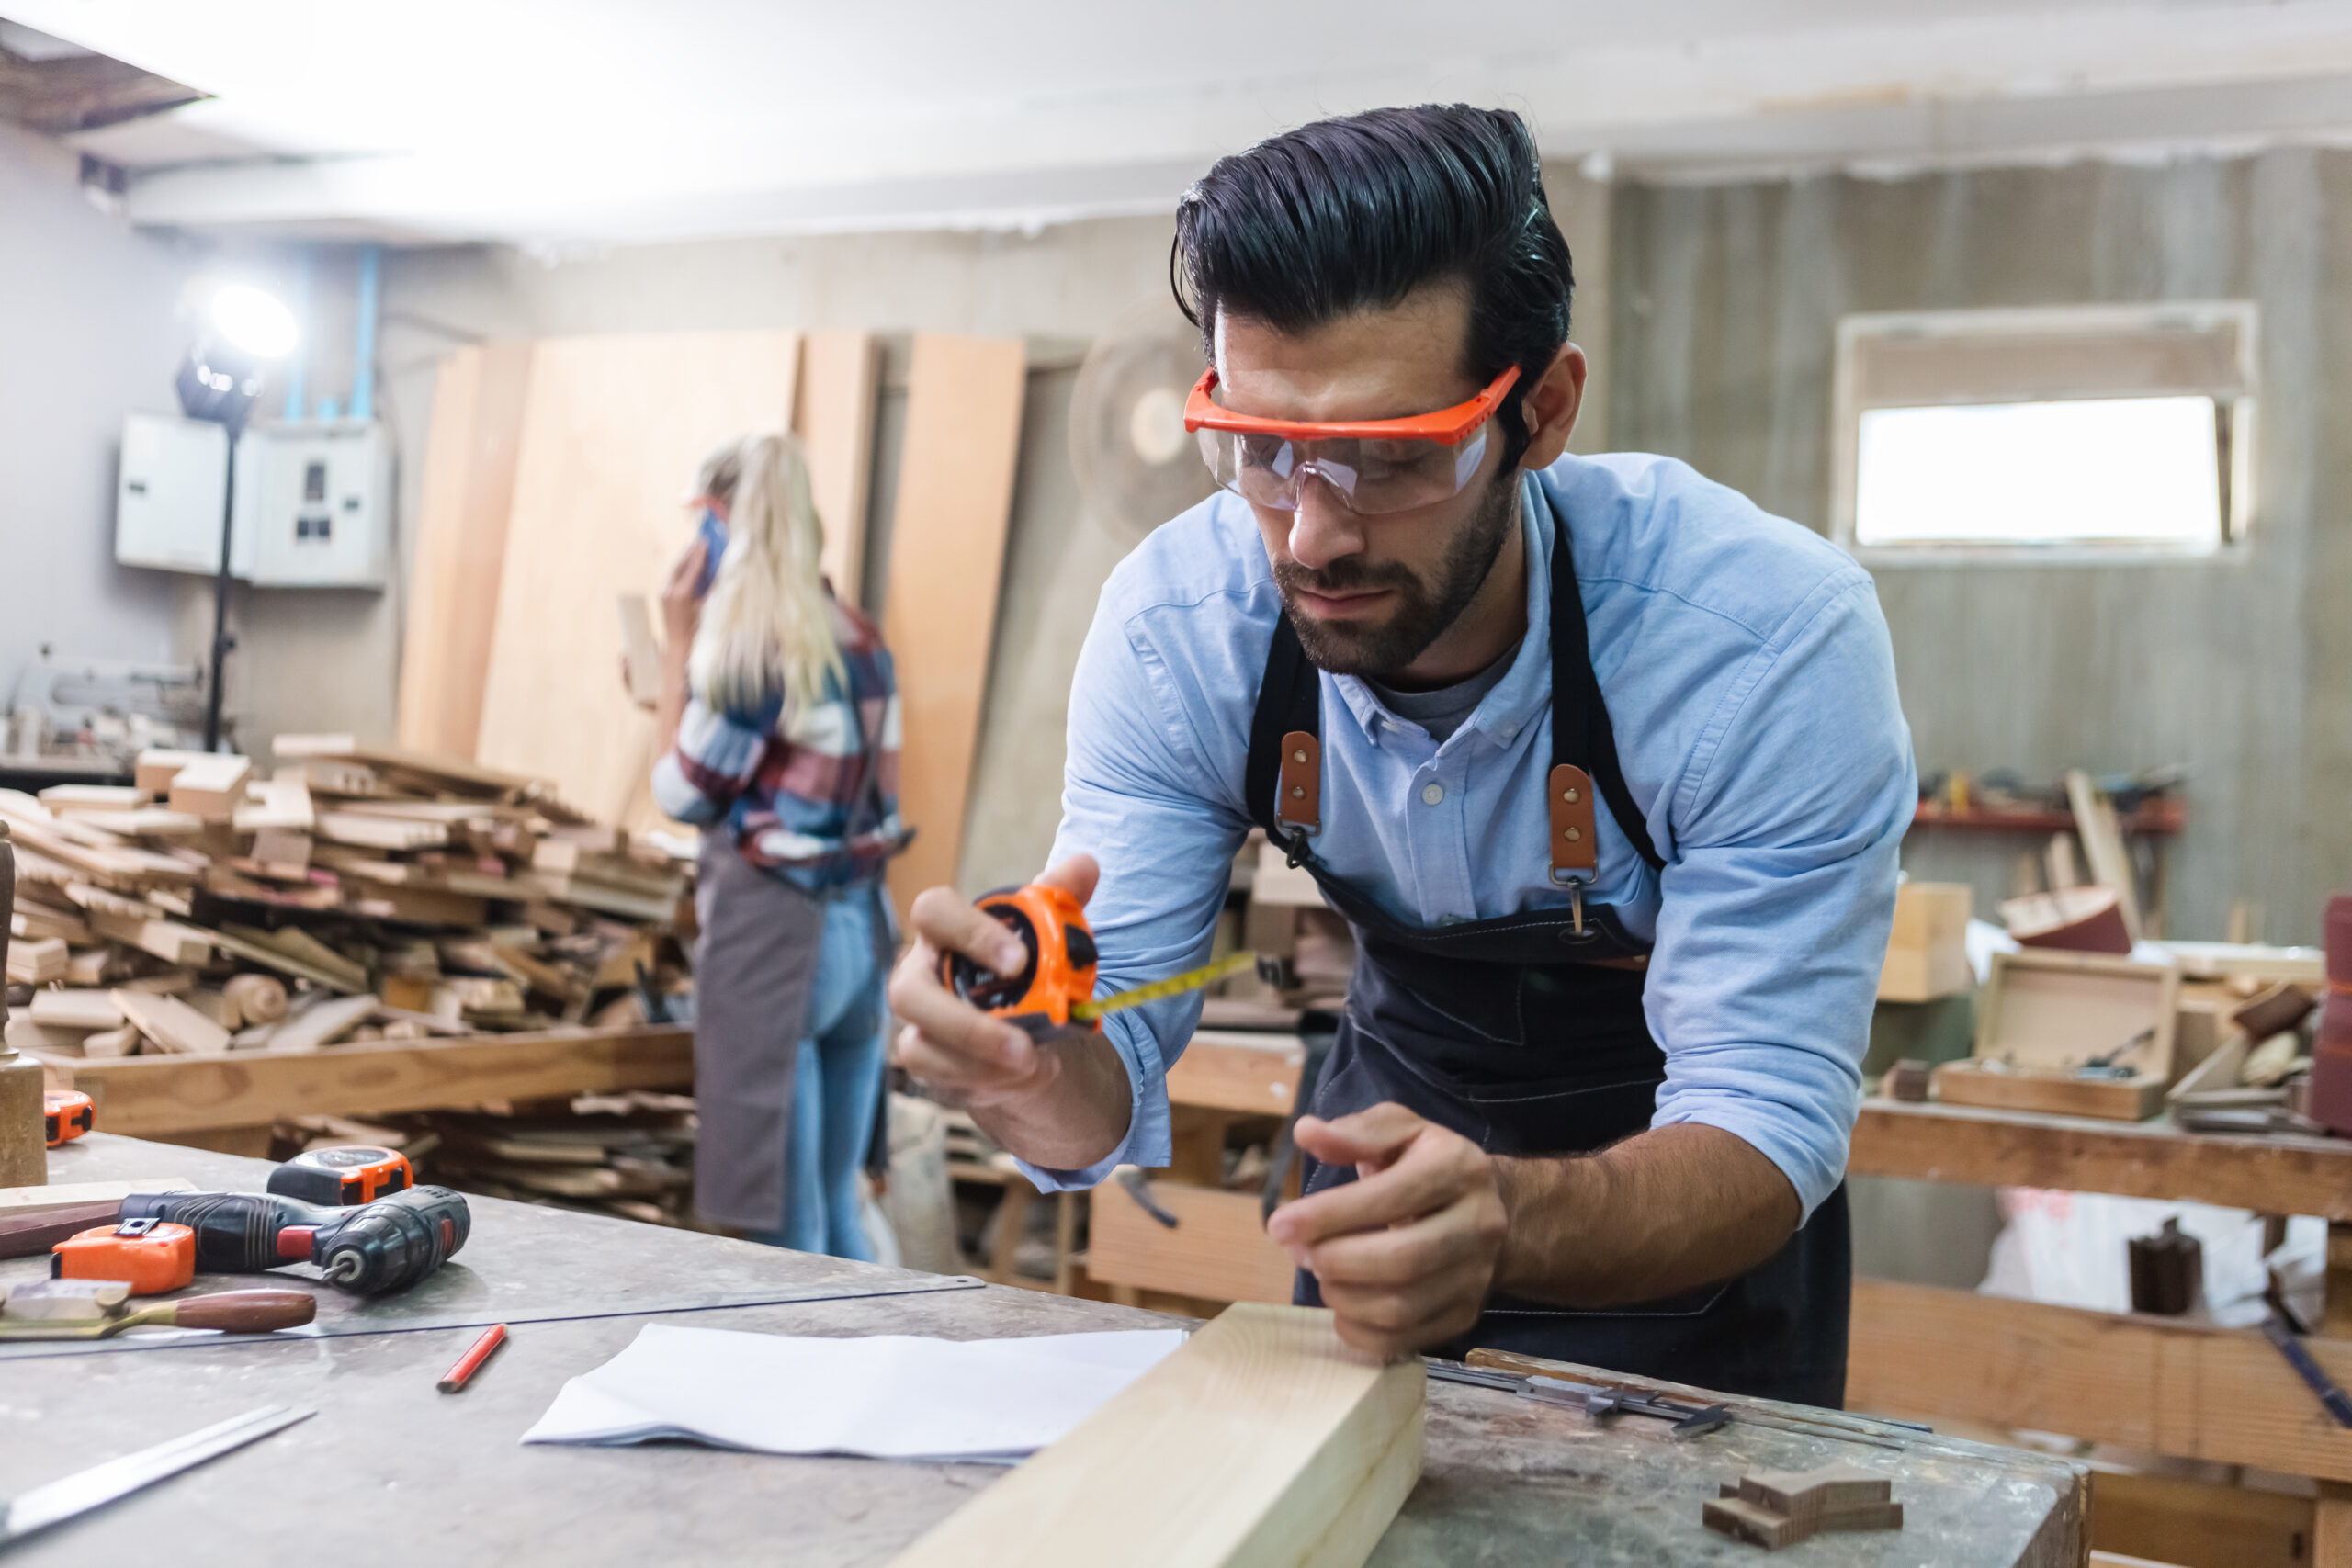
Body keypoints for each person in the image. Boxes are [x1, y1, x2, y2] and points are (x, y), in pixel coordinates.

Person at [888, 105, 1914, 1406]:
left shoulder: (1761, 645)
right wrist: (1028, 1071)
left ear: (1540, 413)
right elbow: (1110, 1064)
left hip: (1691, 1250)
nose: (1311, 533)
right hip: (1379, 1192)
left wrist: (1507, 1220)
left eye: (1386, 459)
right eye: (1261, 452)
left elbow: (1762, 1120)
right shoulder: (1180, 633)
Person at [652, 432, 909, 1258]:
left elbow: (682, 792)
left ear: (722, 522)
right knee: (837, 1207)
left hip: (779, 947)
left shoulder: (751, 651)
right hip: (860, 935)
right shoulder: (858, 633)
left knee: (784, 1234)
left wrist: (673, 650)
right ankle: (868, 1369)